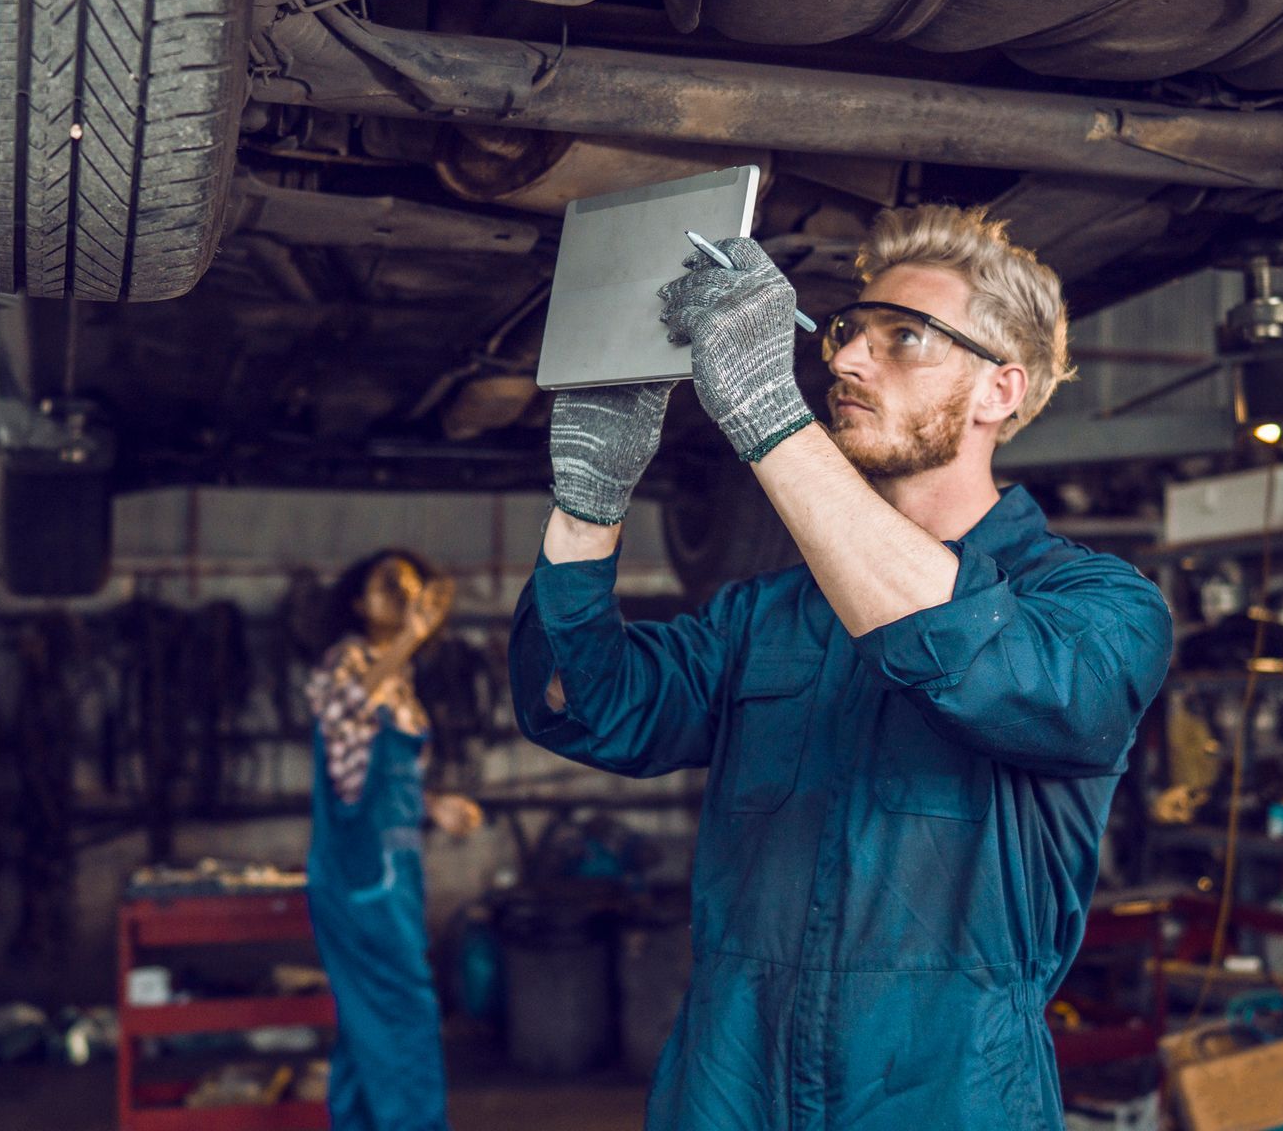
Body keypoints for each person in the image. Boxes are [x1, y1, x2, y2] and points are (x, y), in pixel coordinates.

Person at [509, 204, 1174, 1129]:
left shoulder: (1099, 611)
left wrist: (768, 415)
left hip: (947, 1098)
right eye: (850, 331)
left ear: (999, 391)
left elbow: (991, 668)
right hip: (728, 1085)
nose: (848, 359)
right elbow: (583, 705)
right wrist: (588, 501)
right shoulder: (765, 617)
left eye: (908, 338)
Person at [306, 549, 483, 1131]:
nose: (401, 595)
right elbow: (344, 706)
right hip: (359, 876)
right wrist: (410, 638)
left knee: (365, 1021)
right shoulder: (347, 662)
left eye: (408, 587)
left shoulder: (400, 679)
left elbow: (378, 777)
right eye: (386, 585)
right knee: (406, 1010)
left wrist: (436, 807)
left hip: (398, 871)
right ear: (357, 602)